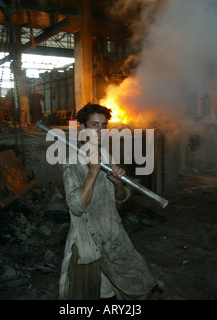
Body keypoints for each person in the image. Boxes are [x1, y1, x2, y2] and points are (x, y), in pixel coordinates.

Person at [59, 102, 159, 300]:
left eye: (104, 126)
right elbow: (77, 207)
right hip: (88, 242)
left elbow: (121, 200)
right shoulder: (72, 161)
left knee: (135, 283)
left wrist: (119, 184)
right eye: (94, 125)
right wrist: (94, 172)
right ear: (82, 127)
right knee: (87, 295)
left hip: (113, 236)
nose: (100, 131)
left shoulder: (106, 155)